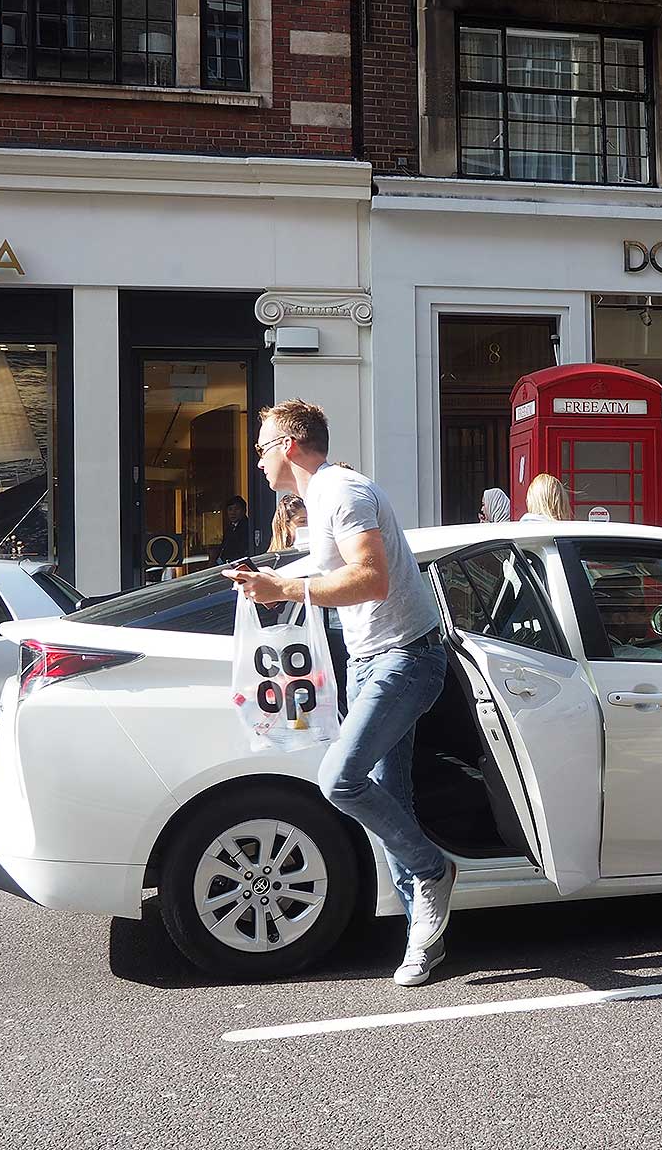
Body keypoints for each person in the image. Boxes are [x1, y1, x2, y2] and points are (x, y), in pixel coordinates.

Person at [224, 400, 455, 987]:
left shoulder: (343, 491)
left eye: (261, 448)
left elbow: (371, 578)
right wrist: (272, 577)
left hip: (407, 658)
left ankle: (433, 868)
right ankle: (423, 937)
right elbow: (326, 564)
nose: (258, 461)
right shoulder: (323, 497)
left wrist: (285, 589)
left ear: (289, 446)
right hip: (367, 661)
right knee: (389, 798)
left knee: (340, 780)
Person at [218, 495, 251, 563]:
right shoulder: (230, 528)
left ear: (244, 510)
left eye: (237, 509)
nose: (233, 512)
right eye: (230, 509)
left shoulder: (248, 527)